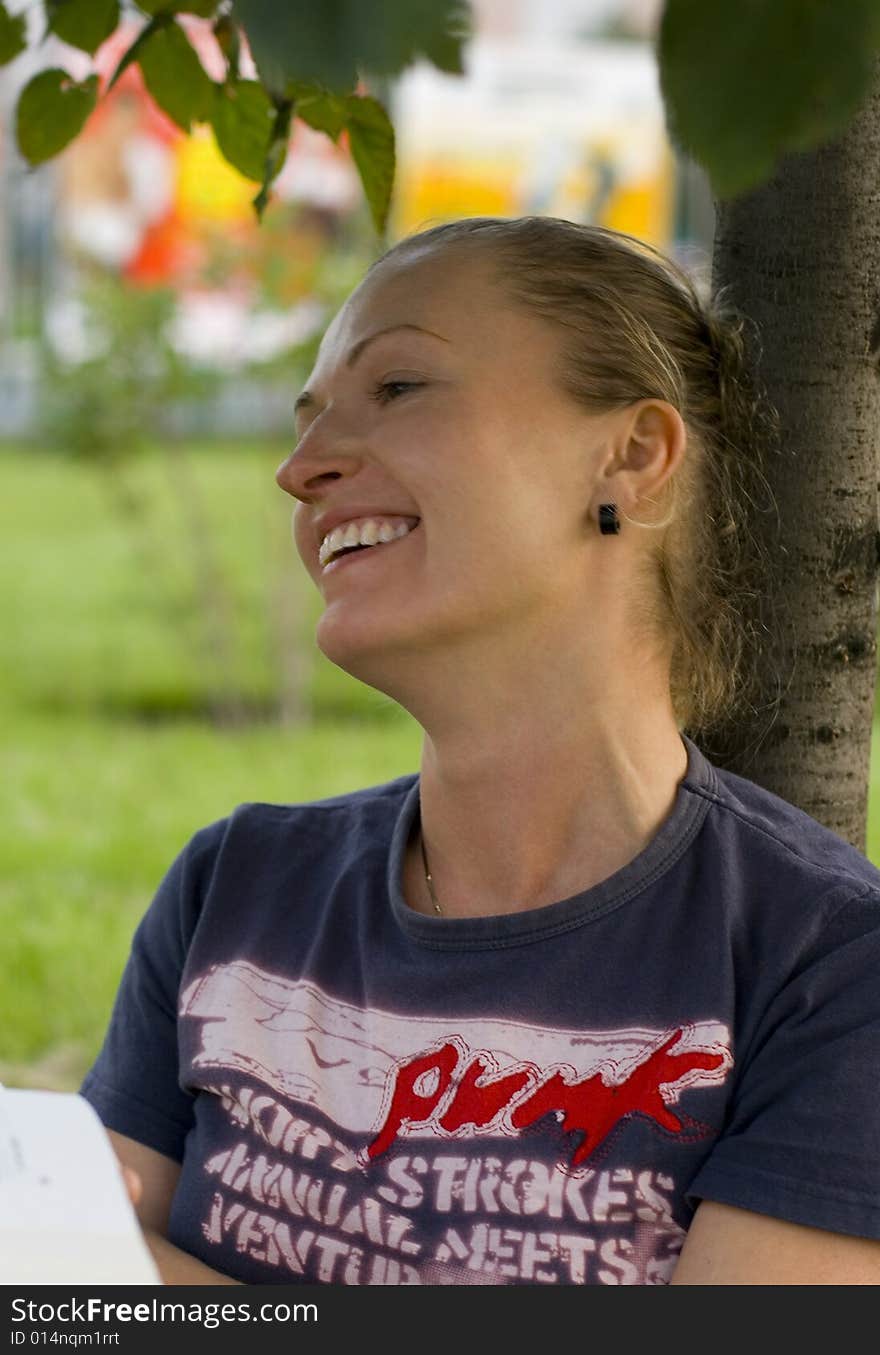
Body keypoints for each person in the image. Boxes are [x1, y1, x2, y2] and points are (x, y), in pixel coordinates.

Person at [81, 215, 880, 1286]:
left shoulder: (827, 963)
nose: (298, 467)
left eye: (398, 387)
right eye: (308, 416)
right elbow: (55, 1295)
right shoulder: (236, 892)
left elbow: (99, 1283)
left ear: (632, 453)